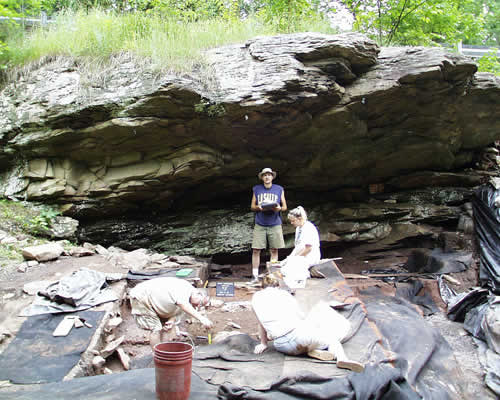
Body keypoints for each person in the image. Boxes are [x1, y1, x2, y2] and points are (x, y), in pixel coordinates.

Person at [251, 275, 365, 372]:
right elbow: (300, 316)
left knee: (309, 335)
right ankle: (341, 358)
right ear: (278, 285)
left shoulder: (255, 298)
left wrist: (263, 343)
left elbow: (261, 323)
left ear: (262, 287)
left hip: (281, 346)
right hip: (299, 337)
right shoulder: (284, 295)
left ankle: (313, 351)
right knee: (330, 338)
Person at [129, 277, 213, 349]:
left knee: (167, 327)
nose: (198, 306)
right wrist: (202, 319)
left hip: (156, 302)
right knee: (155, 328)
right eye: (201, 303)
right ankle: (158, 356)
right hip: (142, 297)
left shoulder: (189, 300)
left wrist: (172, 320)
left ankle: (165, 351)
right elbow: (183, 305)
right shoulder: (184, 290)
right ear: (198, 294)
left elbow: (178, 311)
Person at [250, 167, 287, 282]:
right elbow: (252, 207)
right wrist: (258, 208)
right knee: (256, 249)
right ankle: (255, 275)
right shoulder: (257, 189)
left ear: (272, 177)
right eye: (265, 175)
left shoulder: (279, 189)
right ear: (262, 177)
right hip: (260, 223)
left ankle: (272, 276)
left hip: (275, 223)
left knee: (274, 249)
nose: (267, 177)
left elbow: (284, 207)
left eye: (269, 175)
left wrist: (279, 208)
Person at [280, 206, 321, 288]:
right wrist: (289, 258)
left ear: (300, 218)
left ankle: (298, 283)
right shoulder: (298, 228)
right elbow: (297, 247)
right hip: (301, 255)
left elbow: (308, 249)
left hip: (311, 255)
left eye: (293, 221)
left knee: (290, 270)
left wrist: (295, 259)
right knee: (283, 267)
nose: (292, 223)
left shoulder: (309, 228)